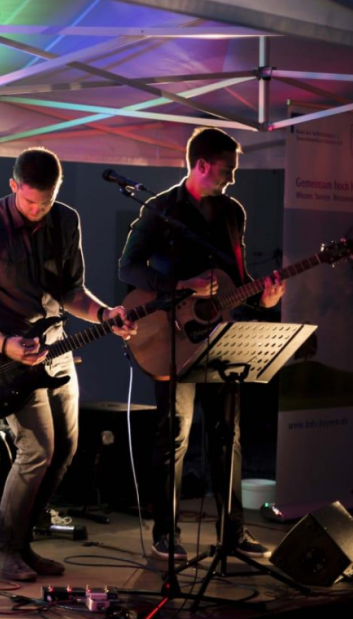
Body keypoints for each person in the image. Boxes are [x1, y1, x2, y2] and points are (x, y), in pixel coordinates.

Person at [0, 147, 136, 581]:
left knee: (66, 448)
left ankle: (24, 543)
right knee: (37, 448)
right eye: (30, 201)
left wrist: (105, 314)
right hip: (6, 353)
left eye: (47, 201)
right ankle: (5, 551)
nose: (38, 210)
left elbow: (73, 291)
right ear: (13, 186)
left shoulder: (66, 220)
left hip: (55, 346)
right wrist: (3, 343)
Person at [118, 126, 286, 561]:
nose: (232, 177)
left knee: (228, 434)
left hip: (222, 334)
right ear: (202, 165)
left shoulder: (233, 212)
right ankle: (165, 533)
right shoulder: (160, 209)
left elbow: (237, 279)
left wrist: (263, 298)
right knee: (174, 434)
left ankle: (233, 532)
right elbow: (128, 267)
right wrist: (180, 285)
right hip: (173, 337)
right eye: (227, 169)